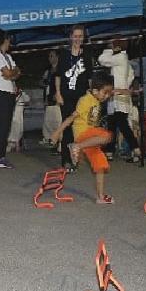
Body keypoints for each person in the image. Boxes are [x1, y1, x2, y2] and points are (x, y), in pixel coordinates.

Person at [51, 72, 115, 204]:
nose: (107, 96)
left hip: (89, 140)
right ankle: (76, 147)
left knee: (100, 165)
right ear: (96, 90)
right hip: (83, 134)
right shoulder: (85, 100)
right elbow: (71, 117)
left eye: (109, 93)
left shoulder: (97, 97)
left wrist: (128, 91)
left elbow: (113, 91)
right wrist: (57, 132)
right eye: (105, 93)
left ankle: (100, 197)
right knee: (106, 136)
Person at [55, 25, 94, 172]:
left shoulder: (87, 55)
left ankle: (76, 158)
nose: (78, 39)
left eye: (80, 36)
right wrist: (58, 93)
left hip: (81, 97)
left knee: (79, 128)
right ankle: (66, 160)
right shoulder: (64, 54)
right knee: (67, 127)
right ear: (71, 37)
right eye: (76, 36)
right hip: (66, 96)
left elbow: (90, 78)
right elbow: (58, 75)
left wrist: (91, 96)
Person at [99, 38, 141, 162]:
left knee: (122, 125)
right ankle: (110, 151)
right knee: (113, 124)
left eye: (112, 44)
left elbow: (102, 60)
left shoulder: (120, 58)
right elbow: (130, 78)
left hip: (118, 97)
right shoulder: (126, 61)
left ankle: (135, 148)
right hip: (119, 97)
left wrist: (107, 49)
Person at [0, 30, 21, 169]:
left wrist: (12, 74)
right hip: (0, 92)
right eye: (8, 41)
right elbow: (8, 73)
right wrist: (11, 74)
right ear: (5, 40)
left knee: (6, 125)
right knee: (2, 124)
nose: (9, 44)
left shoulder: (8, 56)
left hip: (9, 92)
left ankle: (0, 156)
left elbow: (17, 72)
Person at [41, 50, 62, 148]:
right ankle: (52, 141)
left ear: (57, 57)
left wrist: (59, 94)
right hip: (49, 99)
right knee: (48, 122)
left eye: (52, 56)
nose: (50, 58)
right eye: (49, 56)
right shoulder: (48, 70)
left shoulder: (61, 69)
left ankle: (61, 144)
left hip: (58, 99)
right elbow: (43, 82)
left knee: (58, 121)